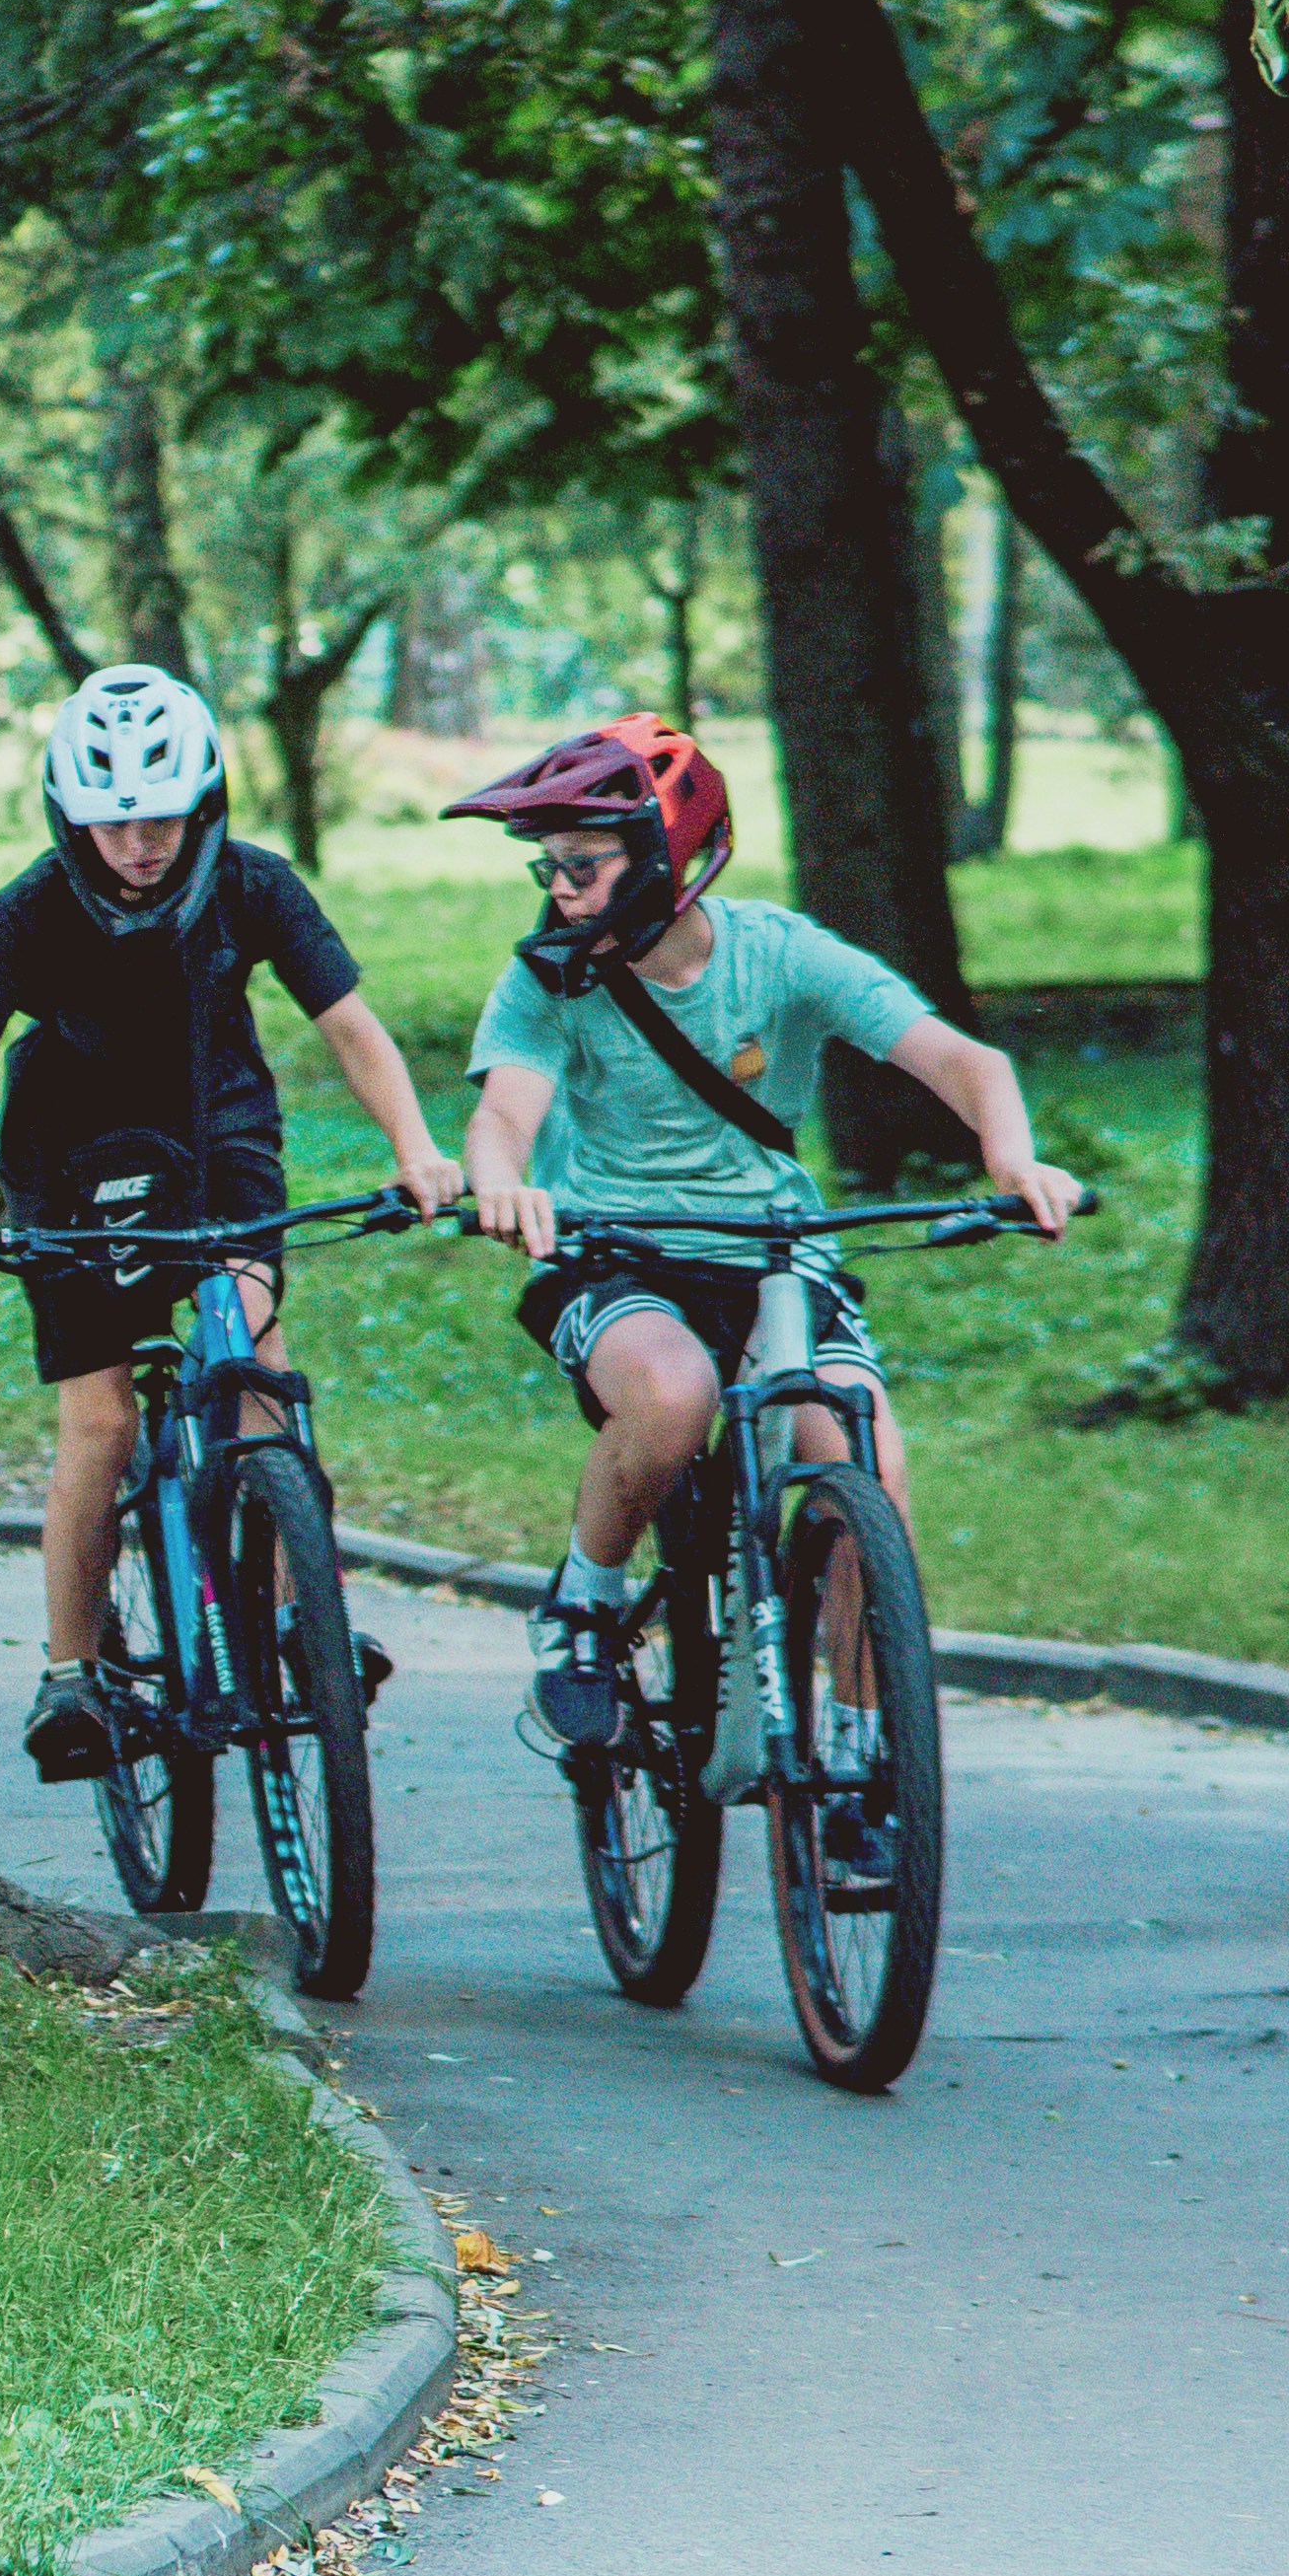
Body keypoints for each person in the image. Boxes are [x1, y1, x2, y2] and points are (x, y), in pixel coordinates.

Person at [455, 715, 1083, 1849]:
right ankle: (583, 1610)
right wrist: (501, 1184)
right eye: (547, 868)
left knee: (864, 1460)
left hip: (777, 1254)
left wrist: (1012, 1159)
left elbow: (961, 1060)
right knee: (674, 1396)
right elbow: (502, 1113)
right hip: (619, 1250)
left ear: (663, 854)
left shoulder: (777, 953)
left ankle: (851, 1751)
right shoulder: (547, 981)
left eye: (581, 866)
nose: (558, 892)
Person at [0, 664, 457, 1782]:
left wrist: (415, 1149)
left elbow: (351, 1027)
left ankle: (306, 1618)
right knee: (102, 1423)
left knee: (253, 1360)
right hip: (70, 1163)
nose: (138, 845)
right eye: (113, 823)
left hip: (218, 1143)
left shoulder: (254, 887)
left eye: (160, 816)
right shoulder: (25, 910)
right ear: (71, 817)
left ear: (202, 800)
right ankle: (70, 1671)